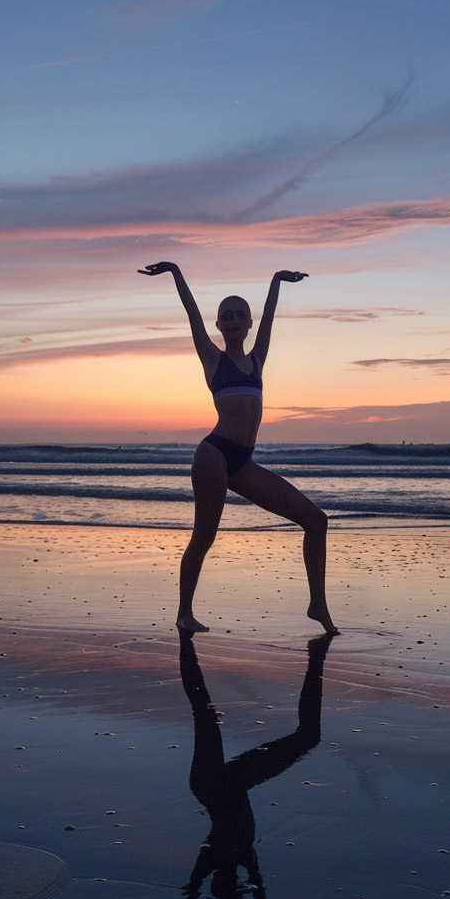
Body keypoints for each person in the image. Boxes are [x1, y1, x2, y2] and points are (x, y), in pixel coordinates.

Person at [138, 261, 337, 634]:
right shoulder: (213, 358)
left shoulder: (256, 358)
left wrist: (277, 280)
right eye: (225, 316)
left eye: (239, 316)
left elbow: (272, 318)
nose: (231, 321)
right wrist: (176, 271)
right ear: (219, 326)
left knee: (316, 520)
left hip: (243, 462)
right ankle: (184, 613)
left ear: (248, 323)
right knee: (204, 535)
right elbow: (191, 313)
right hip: (213, 455)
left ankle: (318, 606)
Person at [138, 631, 331, 899]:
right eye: (237, 885)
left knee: (206, 712)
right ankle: (315, 657)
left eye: (230, 886)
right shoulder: (243, 858)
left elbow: (190, 894)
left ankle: (186, 641)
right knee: (209, 712)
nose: (236, 881)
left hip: (213, 786)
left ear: (222, 882)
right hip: (222, 786)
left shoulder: (215, 857)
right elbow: (255, 887)